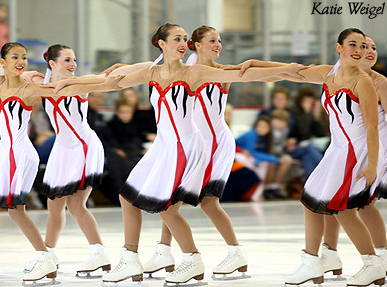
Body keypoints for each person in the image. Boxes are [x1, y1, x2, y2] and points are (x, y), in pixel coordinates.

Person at [48, 23, 305, 285]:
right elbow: (112, 83)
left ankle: (191, 259)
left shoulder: (195, 72)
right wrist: (71, 81)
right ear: (161, 43)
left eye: (184, 38)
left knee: (169, 208)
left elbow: (246, 76)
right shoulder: (153, 72)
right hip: (164, 146)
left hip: (186, 145)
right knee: (127, 197)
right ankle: (131, 259)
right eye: (176, 39)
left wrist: (286, 70)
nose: (182, 43)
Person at [0, 42, 122, 284]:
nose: (21, 61)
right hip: (11, 151)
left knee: (15, 209)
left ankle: (42, 256)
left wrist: (114, 76)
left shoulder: (31, 88)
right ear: (4, 63)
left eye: (24, 57)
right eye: (15, 57)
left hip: (21, 152)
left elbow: (97, 84)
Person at [143, 25, 248, 279]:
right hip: (192, 143)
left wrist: (257, 62)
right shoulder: (186, 69)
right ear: (197, 45)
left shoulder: (222, 72)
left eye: (219, 41)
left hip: (215, 143)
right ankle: (164, 251)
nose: (219, 45)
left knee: (207, 202)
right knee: (171, 198)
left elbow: (257, 74)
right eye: (213, 41)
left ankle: (236, 254)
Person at [37, 44, 112, 276]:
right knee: (54, 204)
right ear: (52, 63)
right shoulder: (43, 85)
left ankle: (99, 253)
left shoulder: (79, 84)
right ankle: (48, 254)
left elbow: (108, 80)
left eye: (74, 60)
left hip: (82, 146)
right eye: (67, 60)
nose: (73, 65)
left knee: (76, 204)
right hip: (63, 148)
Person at [320, 35, 387, 279]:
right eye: (362, 46)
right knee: (330, 200)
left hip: (374, 150)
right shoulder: (339, 75)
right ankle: (330, 253)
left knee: (363, 205)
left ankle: (379, 258)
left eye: (373, 47)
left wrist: (375, 161)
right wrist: (255, 64)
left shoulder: (379, 83)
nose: (368, 51)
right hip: (344, 149)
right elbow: (295, 71)